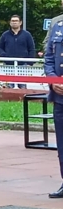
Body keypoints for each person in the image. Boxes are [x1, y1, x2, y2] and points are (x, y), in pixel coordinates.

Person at [44, 18, 63, 198]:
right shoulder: (58, 26)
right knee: (62, 143)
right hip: (60, 95)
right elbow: (49, 58)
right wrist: (52, 80)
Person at [0, 14, 36, 88]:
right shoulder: (5, 35)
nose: (14, 22)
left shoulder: (27, 35)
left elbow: (32, 49)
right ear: (10, 23)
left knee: (22, 86)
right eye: (12, 21)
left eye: (16, 21)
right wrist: (4, 56)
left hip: (23, 64)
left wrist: (30, 63)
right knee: (9, 85)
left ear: (20, 22)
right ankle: (9, 99)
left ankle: (22, 98)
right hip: (8, 65)